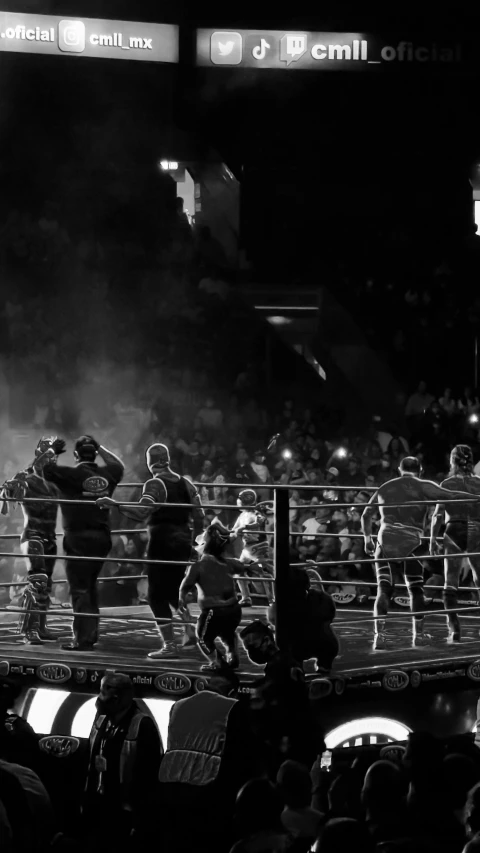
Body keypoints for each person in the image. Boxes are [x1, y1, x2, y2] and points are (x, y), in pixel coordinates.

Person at [99, 443, 204, 659]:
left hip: (163, 543)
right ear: (167, 459)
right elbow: (200, 515)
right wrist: (195, 544)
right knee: (173, 590)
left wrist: (115, 504)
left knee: (156, 595)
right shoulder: (186, 483)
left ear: (150, 462)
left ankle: (170, 645)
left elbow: (142, 512)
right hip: (183, 542)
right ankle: (190, 632)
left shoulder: (155, 483)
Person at [361, 456, 477, 650]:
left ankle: (378, 636)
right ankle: (418, 636)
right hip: (411, 541)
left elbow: (366, 514)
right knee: (415, 590)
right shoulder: (423, 486)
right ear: (420, 470)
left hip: (386, 539)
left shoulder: (385, 487)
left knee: (384, 589)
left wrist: (367, 539)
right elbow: (451, 496)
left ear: (399, 470)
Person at [158, 663, 263, 853]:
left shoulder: (178, 705)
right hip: (208, 789)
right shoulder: (233, 707)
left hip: (170, 785)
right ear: (232, 692)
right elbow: (242, 752)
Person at [44, 435, 124, 651]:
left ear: (76, 455)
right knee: (89, 586)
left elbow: (45, 469)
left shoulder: (70, 474)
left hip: (78, 537)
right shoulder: (108, 474)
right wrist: (100, 447)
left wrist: (53, 450)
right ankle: (90, 634)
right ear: (94, 453)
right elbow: (118, 465)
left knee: (81, 588)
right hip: (102, 536)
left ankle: (83, 639)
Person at [84, 673, 162, 849]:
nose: (99, 700)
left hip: (123, 812)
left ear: (118, 698)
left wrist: (140, 819)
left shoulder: (143, 725)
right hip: (97, 805)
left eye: (104, 695)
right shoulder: (101, 718)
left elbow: (149, 778)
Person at [0, 436, 61, 644]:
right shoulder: (24, 477)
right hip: (33, 534)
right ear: (38, 455)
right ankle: (31, 629)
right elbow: (4, 509)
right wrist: (7, 490)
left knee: (47, 584)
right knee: (38, 581)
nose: (50, 460)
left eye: (52, 456)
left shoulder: (57, 481)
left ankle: (42, 627)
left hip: (51, 536)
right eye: (46, 455)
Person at [430, 445, 480, 642]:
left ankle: (454, 628)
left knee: (451, 580)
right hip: (476, 528)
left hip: (454, 528)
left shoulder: (447, 483)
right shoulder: (479, 483)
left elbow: (438, 514)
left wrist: (433, 537)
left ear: (452, 461)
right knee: (479, 579)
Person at [179, 521, 243, 672]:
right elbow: (245, 566)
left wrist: (181, 600)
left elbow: (185, 586)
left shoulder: (198, 567)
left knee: (203, 638)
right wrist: (261, 566)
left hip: (215, 610)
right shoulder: (229, 563)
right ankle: (232, 657)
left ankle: (218, 663)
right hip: (234, 610)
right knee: (227, 633)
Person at [231, 489, 274, 607]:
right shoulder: (242, 515)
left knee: (263, 572)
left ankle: (272, 599)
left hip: (258, 546)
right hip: (247, 549)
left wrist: (245, 527)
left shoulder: (256, 513)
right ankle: (245, 597)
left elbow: (260, 521)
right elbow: (234, 530)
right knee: (239, 570)